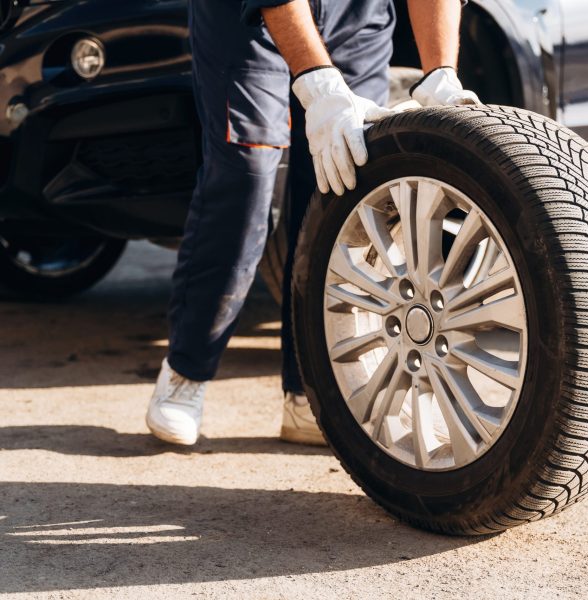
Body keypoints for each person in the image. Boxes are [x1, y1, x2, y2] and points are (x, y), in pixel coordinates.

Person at [145, 0, 480, 446]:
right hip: (244, 24)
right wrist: (318, 87)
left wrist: (440, 72)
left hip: (355, 17)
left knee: (342, 181)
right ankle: (185, 372)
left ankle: (309, 392)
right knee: (246, 177)